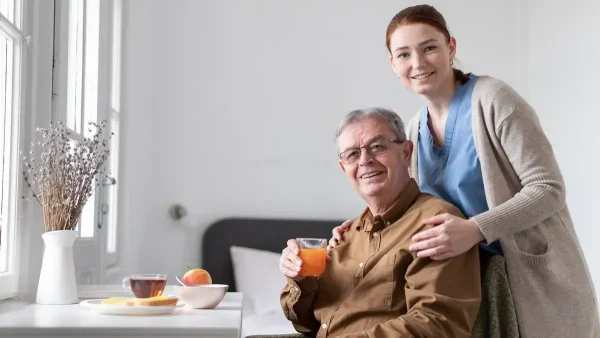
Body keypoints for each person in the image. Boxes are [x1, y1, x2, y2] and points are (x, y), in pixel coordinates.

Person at [328, 4, 600, 338]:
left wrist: (476, 229)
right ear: (393, 64)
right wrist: (358, 228)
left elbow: (548, 188)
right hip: (470, 284)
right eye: (403, 54)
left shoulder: (494, 100)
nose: (417, 63)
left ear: (451, 48)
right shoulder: (412, 131)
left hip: (532, 284)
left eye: (429, 48)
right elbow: (408, 204)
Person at [278, 107, 481, 338]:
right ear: (344, 168)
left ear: (406, 152)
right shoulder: (347, 235)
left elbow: (437, 325)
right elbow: (307, 324)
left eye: (377, 146)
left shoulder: (436, 223)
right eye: (352, 154)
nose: (365, 161)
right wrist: (300, 279)